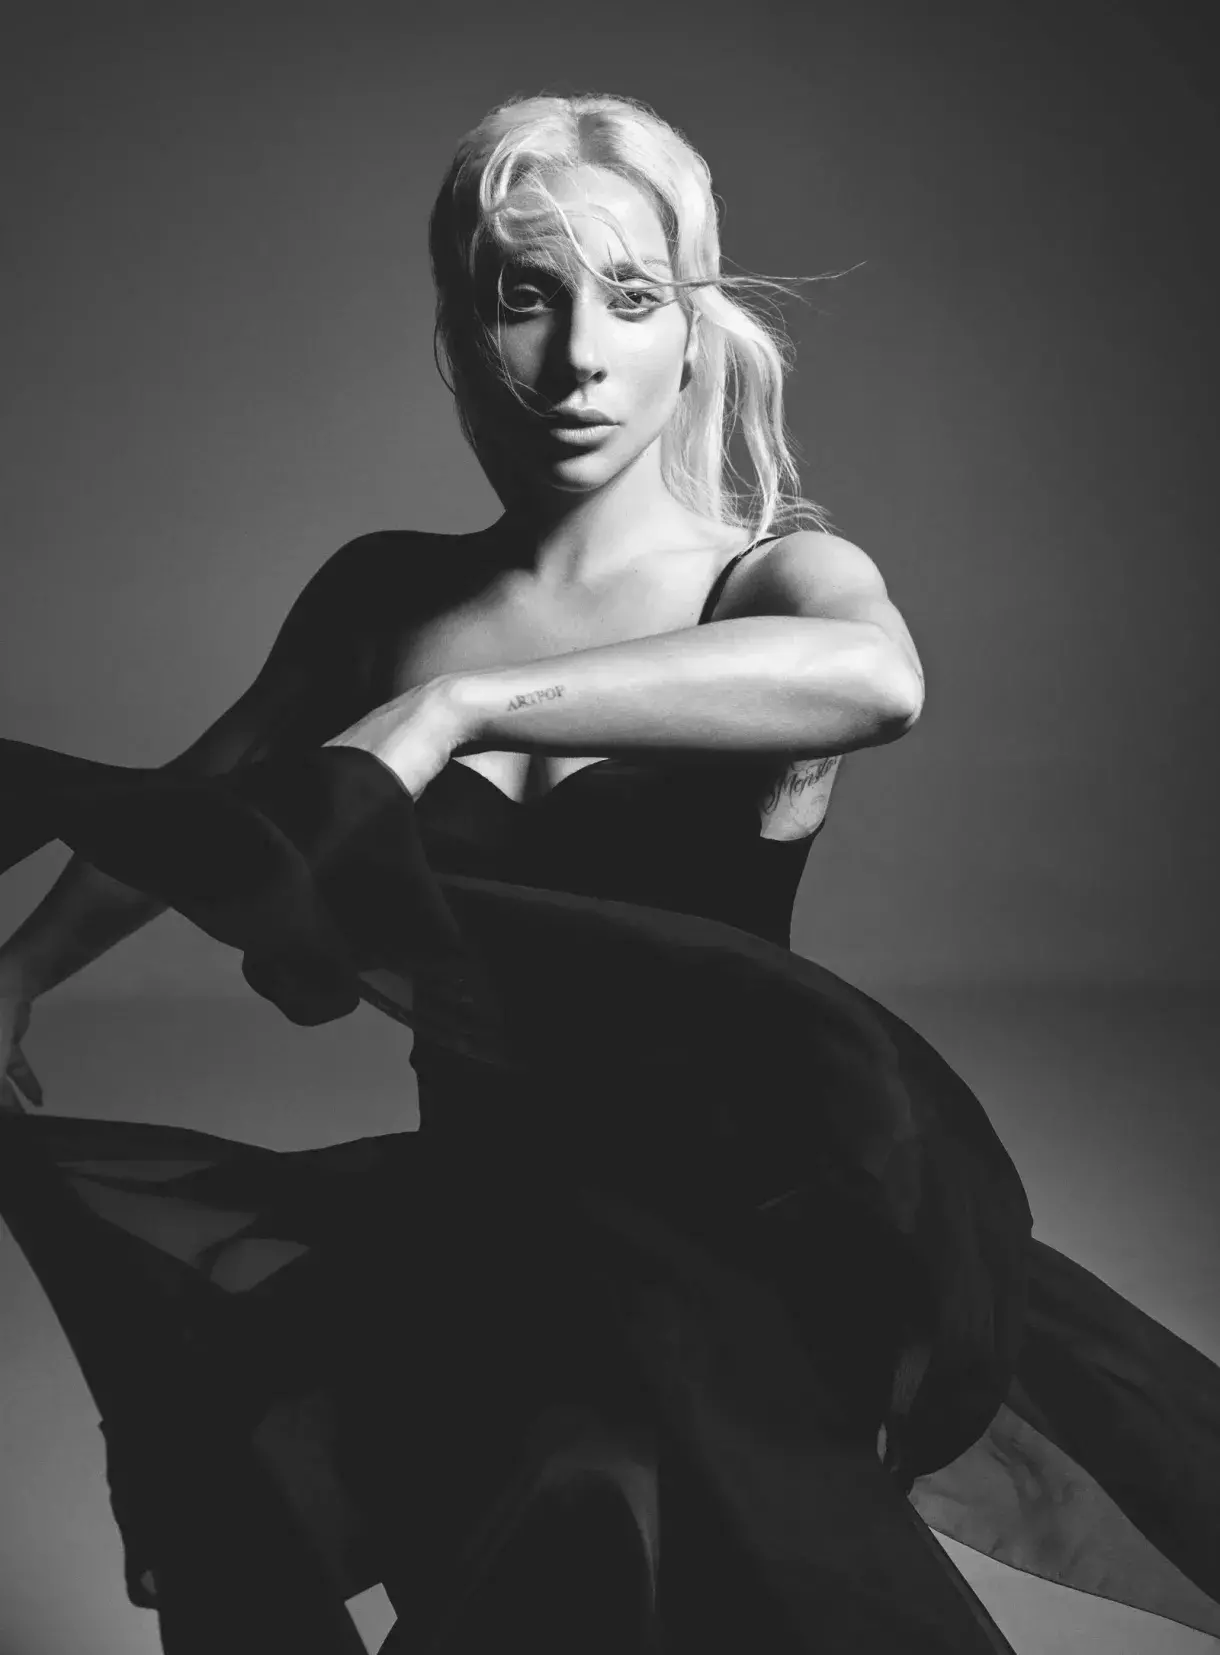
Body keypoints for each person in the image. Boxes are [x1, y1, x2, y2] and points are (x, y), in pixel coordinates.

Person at [1, 92, 1217, 1655]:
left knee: (624, 1529)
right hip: (477, 1247)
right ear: (461, 328)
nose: (577, 354)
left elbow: (880, 679)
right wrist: (22, 968)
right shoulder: (382, 595)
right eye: (527, 297)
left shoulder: (771, 578)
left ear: (692, 331)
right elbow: (204, 799)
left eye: (631, 299)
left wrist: (463, 706)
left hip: (730, 1262)